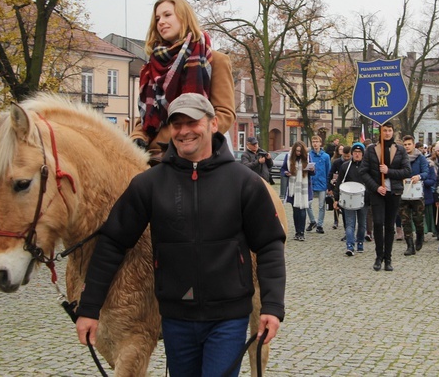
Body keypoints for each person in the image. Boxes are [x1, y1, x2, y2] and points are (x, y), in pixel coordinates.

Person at [75, 94, 286, 377]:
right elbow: (113, 242)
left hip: (228, 317)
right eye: (177, 124)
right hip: (176, 318)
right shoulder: (149, 185)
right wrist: (89, 308)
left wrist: (272, 306)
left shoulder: (244, 183)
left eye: (192, 122)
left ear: (212, 125)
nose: (184, 130)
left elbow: (270, 245)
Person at [132, 0, 236, 159]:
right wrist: (137, 137)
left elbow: (224, 113)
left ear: (184, 17)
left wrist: (188, 139)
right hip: (151, 155)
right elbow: (148, 116)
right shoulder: (151, 66)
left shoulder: (215, 60)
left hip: (195, 154)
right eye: (157, 18)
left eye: (167, 15)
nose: (160, 22)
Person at [360, 122, 411, 272]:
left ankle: (388, 258)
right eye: (384, 130)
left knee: (389, 226)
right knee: (377, 223)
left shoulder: (400, 150)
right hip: (377, 192)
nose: (387, 133)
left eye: (389, 130)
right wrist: (376, 187)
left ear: (393, 132)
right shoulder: (371, 150)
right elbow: (364, 172)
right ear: (380, 132)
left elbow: (407, 171)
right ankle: (378, 257)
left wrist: (389, 171)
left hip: (393, 192)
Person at [399, 135, 436, 256]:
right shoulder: (400, 157)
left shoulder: (420, 158)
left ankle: (419, 236)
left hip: (417, 192)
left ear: (413, 145)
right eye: (405, 145)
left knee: (418, 219)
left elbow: (426, 172)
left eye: (409, 144)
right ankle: (410, 245)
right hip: (404, 193)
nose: (407, 147)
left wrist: (419, 176)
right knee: (405, 220)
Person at [333, 142, 369, 255]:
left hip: (364, 199)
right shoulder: (345, 166)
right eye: (355, 152)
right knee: (350, 223)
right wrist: (336, 198)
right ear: (352, 153)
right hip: (349, 199)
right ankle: (350, 245)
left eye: (359, 152)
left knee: (362, 224)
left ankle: (360, 243)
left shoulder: (367, 167)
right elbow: (339, 183)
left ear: (363, 154)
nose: (357, 154)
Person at [282, 141, 315, 240]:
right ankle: (297, 231)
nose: (298, 153)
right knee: (296, 211)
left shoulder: (308, 157)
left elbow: (313, 173)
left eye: (300, 151)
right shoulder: (288, 157)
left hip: (304, 188)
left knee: (302, 210)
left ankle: (302, 232)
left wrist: (312, 170)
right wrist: (286, 173)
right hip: (293, 188)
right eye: (297, 151)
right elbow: (283, 169)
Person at [307, 136, 332, 233]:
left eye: (317, 141)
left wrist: (328, 185)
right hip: (311, 183)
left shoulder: (325, 156)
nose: (315, 143)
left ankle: (320, 225)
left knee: (322, 205)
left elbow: (328, 171)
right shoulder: (309, 155)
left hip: (322, 184)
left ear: (320, 143)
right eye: (313, 141)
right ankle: (313, 221)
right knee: (307, 204)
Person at [328, 145, 351, 230]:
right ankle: (336, 221)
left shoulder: (352, 162)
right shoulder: (337, 162)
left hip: (349, 188)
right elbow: (330, 174)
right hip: (338, 187)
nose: (346, 158)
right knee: (337, 204)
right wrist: (329, 187)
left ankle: (348, 227)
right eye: (345, 156)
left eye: (348, 156)